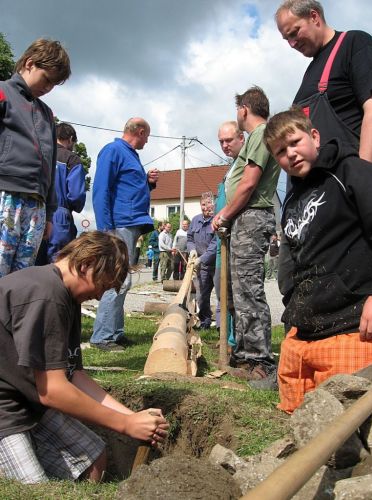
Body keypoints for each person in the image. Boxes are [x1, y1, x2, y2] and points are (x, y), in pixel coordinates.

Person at [0, 231, 169, 484]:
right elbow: (53, 391)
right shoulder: (46, 294)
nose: (101, 296)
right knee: (35, 488)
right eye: (103, 285)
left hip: (25, 400)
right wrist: (124, 425)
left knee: (93, 461)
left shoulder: (66, 296)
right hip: (5, 409)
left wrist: (132, 416)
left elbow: (74, 376)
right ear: (86, 264)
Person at [264, 107, 372, 413]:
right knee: (293, 423)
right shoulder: (293, 199)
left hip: (352, 326)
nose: (290, 153)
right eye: (280, 151)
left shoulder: (352, 172)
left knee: (342, 434)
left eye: (295, 142)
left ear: (314, 136)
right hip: (303, 333)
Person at [212, 86, 280, 389]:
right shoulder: (256, 137)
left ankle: (261, 363)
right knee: (239, 291)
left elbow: (249, 182)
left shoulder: (262, 133)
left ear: (244, 110)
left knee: (249, 291)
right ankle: (245, 356)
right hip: (245, 218)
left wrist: (225, 212)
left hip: (252, 217)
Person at [0, 38, 71, 277]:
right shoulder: (3, 93)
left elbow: (49, 167)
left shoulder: (47, 115)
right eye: (47, 79)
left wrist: (49, 214)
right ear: (30, 63)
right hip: (6, 195)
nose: (49, 87)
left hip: (37, 207)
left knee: (21, 279)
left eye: (54, 84)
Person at [275, 0, 372, 162]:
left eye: (294, 33)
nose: (292, 44)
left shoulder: (354, 43)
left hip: (353, 178)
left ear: (314, 17)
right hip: (321, 183)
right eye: (287, 39)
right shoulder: (310, 72)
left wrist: (364, 176)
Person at [90, 117, 159, 351]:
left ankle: (115, 333)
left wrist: (147, 184)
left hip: (128, 224)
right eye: (147, 136)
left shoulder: (130, 155)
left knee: (123, 280)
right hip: (119, 225)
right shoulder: (113, 151)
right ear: (139, 132)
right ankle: (102, 336)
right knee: (116, 278)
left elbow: (128, 189)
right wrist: (106, 229)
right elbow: (101, 189)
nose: (147, 141)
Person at [36, 122, 86, 264]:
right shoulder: (72, 159)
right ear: (70, 139)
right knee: (58, 265)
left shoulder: (40, 153)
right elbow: (76, 195)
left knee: (31, 262)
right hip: (60, 217)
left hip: (35, 210)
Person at [214, 121, 245, 343]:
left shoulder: (246, 165)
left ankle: (236, 342)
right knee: (223, 293)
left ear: (241, 139)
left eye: (229, 140)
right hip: (220, 240)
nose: (224, 145)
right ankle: (226, 339)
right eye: (221, 142)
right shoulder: (230, 168)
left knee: (237, 294)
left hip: (235, 237)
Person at [188, 193, 217, 329]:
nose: (206, 207)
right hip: (202, 267)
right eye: (203, 204)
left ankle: (221, 327)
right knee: (202, 296)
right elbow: (190, 239)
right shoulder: (195, 220)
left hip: (217, 265)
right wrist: (192, 250)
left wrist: (202, 258)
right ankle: (205, 322)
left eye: (209, 204)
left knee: (222, 297)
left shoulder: (217, 220)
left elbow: (215, 244)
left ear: (214, 204)